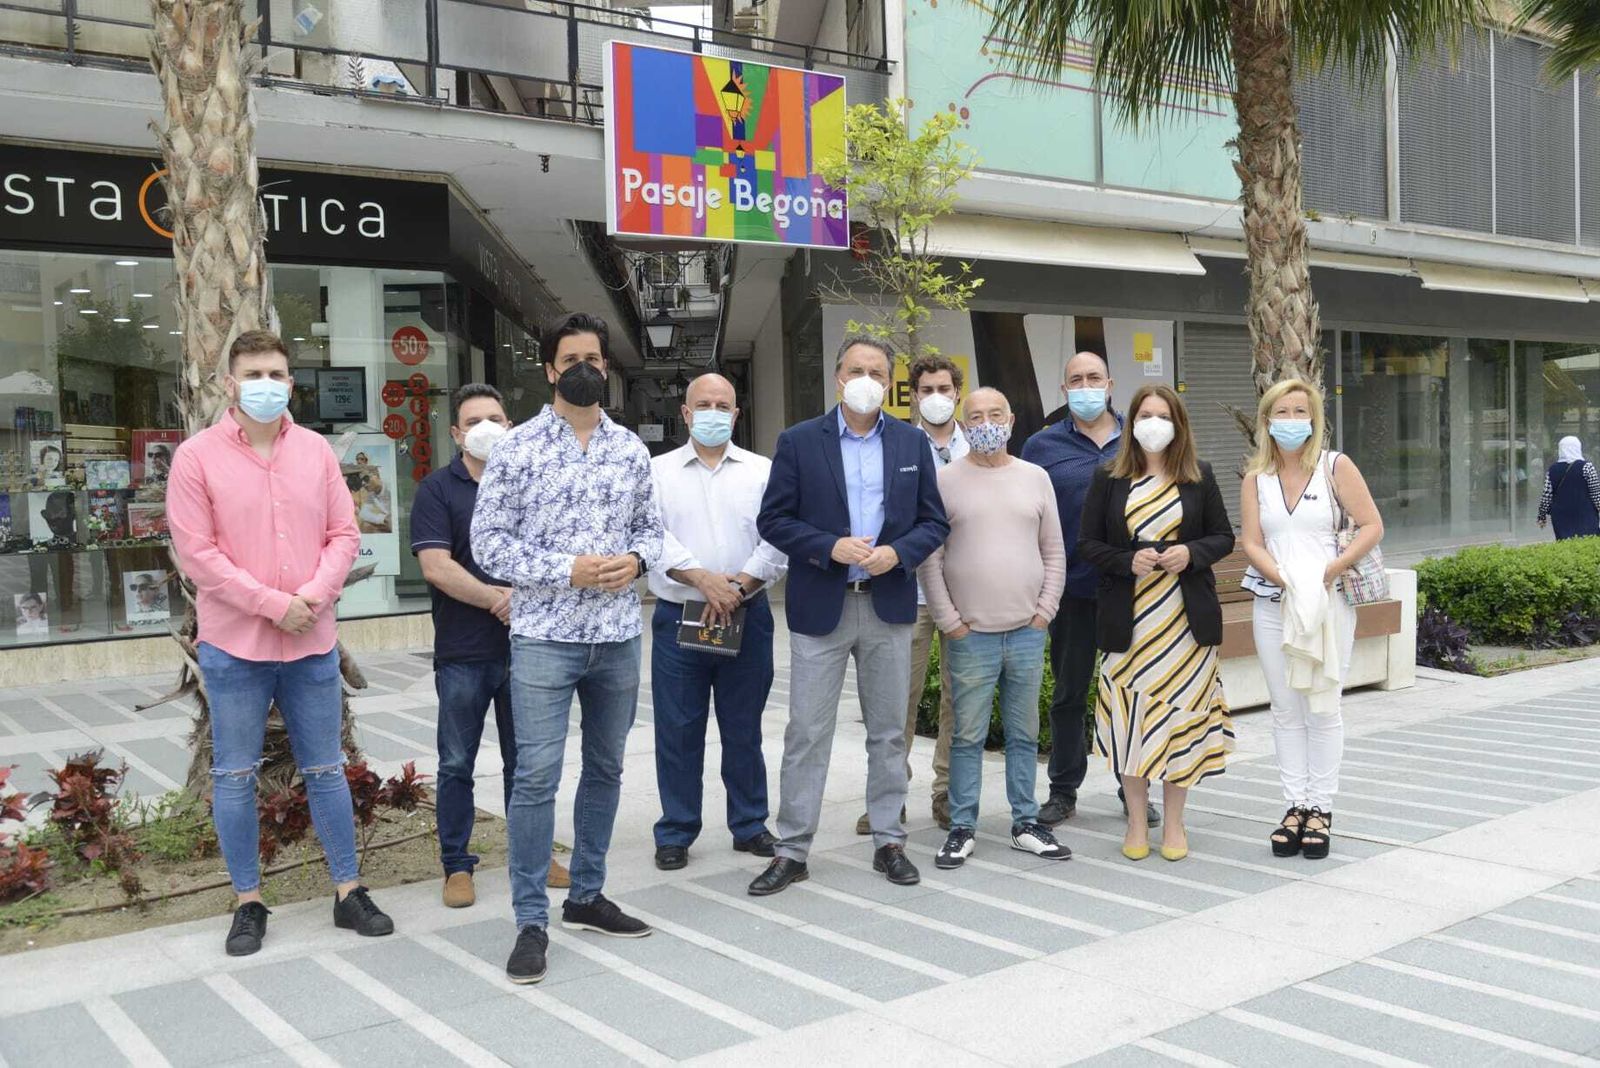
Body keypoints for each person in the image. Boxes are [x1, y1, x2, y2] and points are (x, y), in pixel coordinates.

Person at [165, 329, 393, 958]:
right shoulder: (196, 458)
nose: (267, 385)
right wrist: (274, 605)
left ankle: (349, 890)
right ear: (227, 383)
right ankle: (248, 902)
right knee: (234, 775)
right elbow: (198, 554)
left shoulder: (316, 452)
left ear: (291, 382)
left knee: (325, 770)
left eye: (277, 374)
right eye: (254, 374)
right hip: (235, 646)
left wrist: (312, 600)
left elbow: (344, 535)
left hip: (311, 641)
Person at [472, 312, 663, 984]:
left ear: (606, 369)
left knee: (607, 770)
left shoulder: (631, 451)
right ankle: (530, 918)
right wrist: (566, 569)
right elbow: (487, 543)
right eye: (571, 358)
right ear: (550, 369)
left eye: (595, 358)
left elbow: (654, 533)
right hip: (544, 638)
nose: (585, 367)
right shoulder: (517, 449)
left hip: (616, 639)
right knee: (535, 777)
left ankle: (586, 894)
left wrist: (636, 560)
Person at [749, 334, 950, 896]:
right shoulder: (798, 441)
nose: (866, 379)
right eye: (856, 369)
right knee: (807, 732)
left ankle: (889, 839)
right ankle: (792, 849)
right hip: (823, 606)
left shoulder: (912, 444)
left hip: (887, 606)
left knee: (888, 734)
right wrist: (827, 546)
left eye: (878, 372)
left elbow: (933, 523)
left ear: (890, 383)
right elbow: (774, 521)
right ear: (838, 377)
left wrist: (899, 553)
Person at [411, 383, 571, 908]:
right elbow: (436, 566)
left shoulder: (535, 487)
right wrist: (495, 600)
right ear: (456, 433)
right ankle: (457, 865)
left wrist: (518, 603)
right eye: (474, 420)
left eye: (497, 418)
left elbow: (557, 556)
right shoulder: (438, 490)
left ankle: (534, 853)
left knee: (526, 762)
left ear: (511, 426)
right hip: (464, 651)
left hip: (529, 648)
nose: (487, 428)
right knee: (456, 762)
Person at [1079, 384, 1235, 863]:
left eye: (1162, 415)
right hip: (1131, 624)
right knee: (1132, 722)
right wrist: (1128, 561)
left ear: (1178, 423)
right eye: (1144, 414)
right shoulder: (1108, 477)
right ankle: (1134, 820)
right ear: (1131, 422)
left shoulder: (1198, 475)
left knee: (1178, 722)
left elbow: (1223, 537)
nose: (1152, 423)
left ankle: (1174, 822)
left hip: (1185, 625)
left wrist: (1191, 553)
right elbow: (1087, 544)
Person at [920, 388, 1070, 868]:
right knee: (967, 735)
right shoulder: (944, 480)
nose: (986, 422)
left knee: (1025, 733)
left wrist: (1045, 611)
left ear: (1011, 419)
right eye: (976, 416)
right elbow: (931, 557)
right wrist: (950, 622)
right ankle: (962, 825)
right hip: (970, 636)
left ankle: (1025, 821)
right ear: (963, 424)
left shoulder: (1036, 477)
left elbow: (1053, 551)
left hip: (1027, 630)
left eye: (995, 414)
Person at [1239, 379, 1383, 861]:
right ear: (1267, 420)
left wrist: (1330, 570)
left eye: (1301, 410)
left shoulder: (1335, 466)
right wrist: (1281, 577)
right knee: (1284, 707)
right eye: (1282, 411)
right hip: (1273, 602)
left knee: (1323, 704)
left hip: (1328, 602)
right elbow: (1252, 542)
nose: (1292, 419)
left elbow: (1371, 524)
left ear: (1314, 418)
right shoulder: (1255, 477)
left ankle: (1321, 807)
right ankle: (1294, 805)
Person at [648, 373, 787, 871]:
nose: (712, 412)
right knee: (678, 728)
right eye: (702, 404)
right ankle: (677, 829)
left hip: (746, 614)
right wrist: (703, 580)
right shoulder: (656, 471)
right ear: (685, 414)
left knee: (743, 727)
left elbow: (778, 537)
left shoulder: (763, 471)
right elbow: (651, 536)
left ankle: (749, 824)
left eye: (722, 404)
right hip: (679, 614)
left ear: (736, 414)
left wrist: (739, 586)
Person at [1021, 351, 1159, 828]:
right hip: (1071, 589)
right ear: (1064, 390)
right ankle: (1063, 791)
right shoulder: (1041, 446)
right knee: (1070, 693)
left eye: (1093, 377)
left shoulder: (1140, 438)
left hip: (1133, 589)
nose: (1084, 385)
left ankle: (1134, 788)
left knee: (1131, 693)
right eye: (1075, 379)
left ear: (1110, 384)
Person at [855, 354, 966, 836]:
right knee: (897, 701)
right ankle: (889, 796)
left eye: (945, 388)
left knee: (958, 702)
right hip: (911, 594)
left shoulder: (979, 445)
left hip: (967, 596)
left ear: (957, 392)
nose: (936, 397)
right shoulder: (894, 444)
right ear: (913, 395)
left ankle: (947, 794)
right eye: (927, 390)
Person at [1537, 436, 1600, 540]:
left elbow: (1546, 496)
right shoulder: (1587, 467)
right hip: (1585, 514)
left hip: (1561, 516)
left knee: (1565, 546)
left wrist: (1541, 516)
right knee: (1587, 543)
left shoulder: (1552, 469)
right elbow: (1596, 494)